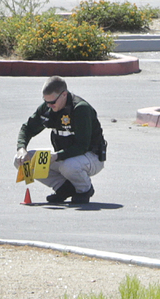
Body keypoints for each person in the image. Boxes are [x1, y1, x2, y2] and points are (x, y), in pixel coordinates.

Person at [14, 76, 106, 204]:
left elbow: (82, 146)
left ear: (64, 94)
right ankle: (64, 188)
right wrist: (21, 148)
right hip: (63, 156)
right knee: (21, 161)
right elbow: (27, 128)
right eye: (46, 101)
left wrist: (57, 156)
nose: (49, 105)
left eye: (52, 102)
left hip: (90, 156)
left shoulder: (80, 109)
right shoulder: (48, 107)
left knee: (68, 166)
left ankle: (84, 190)